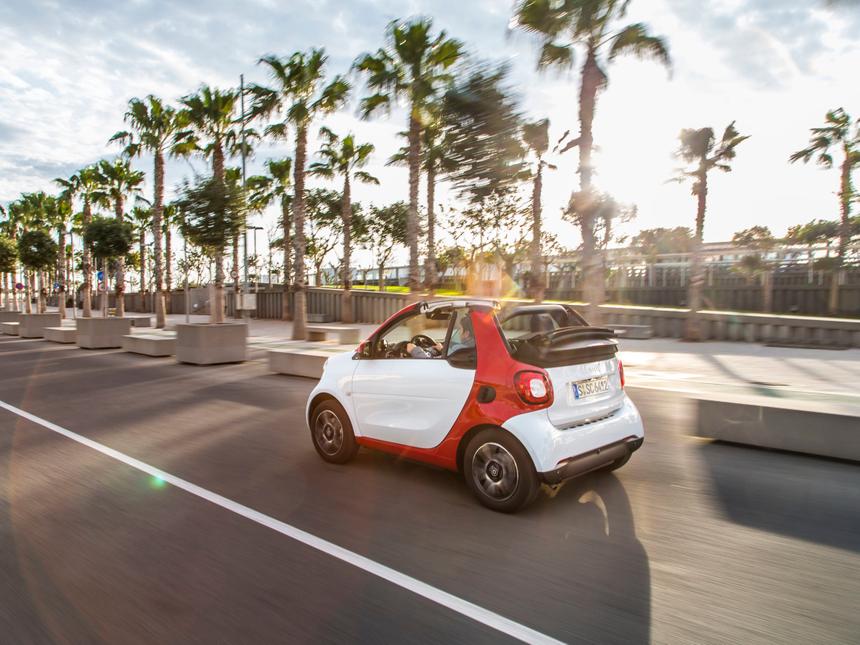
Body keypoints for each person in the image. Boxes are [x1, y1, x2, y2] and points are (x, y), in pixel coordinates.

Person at [406, 316, 474, 358]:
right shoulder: (469, 347)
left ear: (466, 334)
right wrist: (441, 349)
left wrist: (414, 350)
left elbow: (429, 363)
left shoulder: (462, 350)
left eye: (460, 329)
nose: (458, 332)